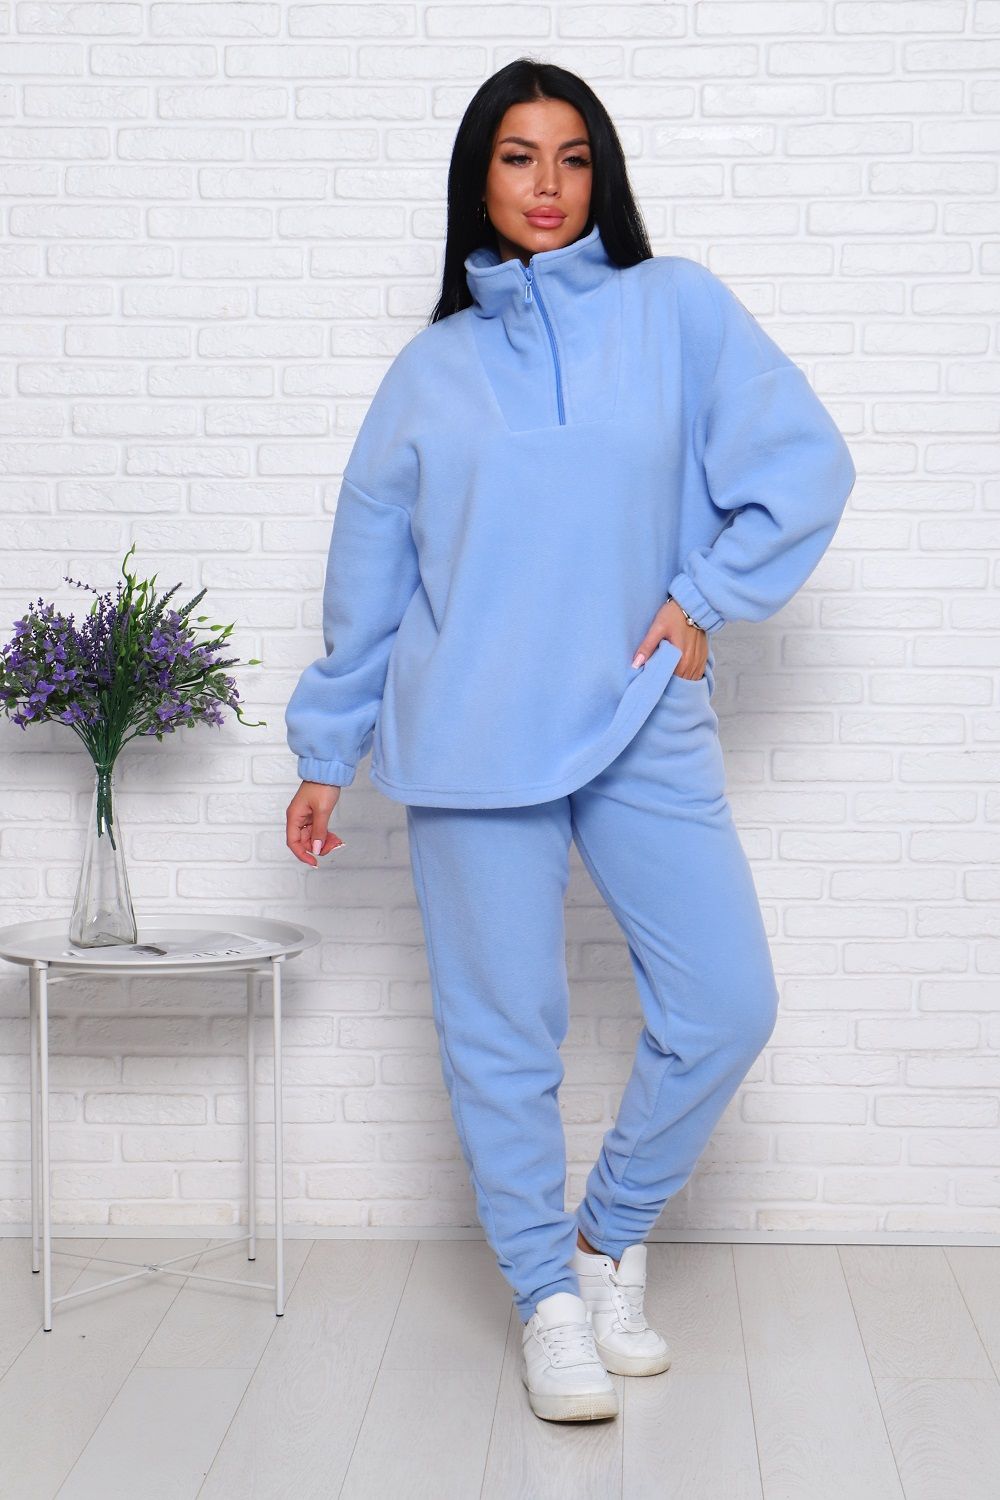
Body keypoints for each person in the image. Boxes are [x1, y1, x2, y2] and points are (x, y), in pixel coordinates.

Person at [284, 59, 856, 1425]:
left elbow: (804, 468)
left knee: (726, 1003)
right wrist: (325, 749)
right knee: (506, 1037)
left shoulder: (677, 310)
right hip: (471, 734)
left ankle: (607, 1237)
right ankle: (547, 1297)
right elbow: (368, 581)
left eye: (573, 157)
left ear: (602, 174)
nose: (548, 185)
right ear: (477, 180)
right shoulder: (428, 374)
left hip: (641, 710)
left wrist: (703, 598)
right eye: (518, 157)